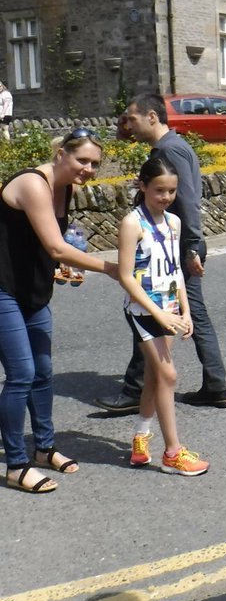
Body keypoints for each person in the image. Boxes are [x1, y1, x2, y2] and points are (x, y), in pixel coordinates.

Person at [0, 128, 119, 493]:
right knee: (21, 374)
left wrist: (63, 269)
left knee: (44, 372)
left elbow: (43, 246)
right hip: (3, 290)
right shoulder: (34, 184)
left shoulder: (64, 188)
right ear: (61, 154)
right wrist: (110, 268)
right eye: (82, 160)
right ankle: (16, 464)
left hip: (34, 292)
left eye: (95, 164)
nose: (88, 169)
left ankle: (45, 448)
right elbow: (55, 246)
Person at [95, 93, 226, 413]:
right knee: (171, 311)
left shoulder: (171, 150)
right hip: (170, 243)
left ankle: (138, 389)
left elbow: (187, 201)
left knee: (155, 310)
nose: (128, 123)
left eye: (132, 117)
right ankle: (213, 385)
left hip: (175, 246)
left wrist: (193, 248)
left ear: (152, 117)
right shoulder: (168, 148)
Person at [117, 155, 209, 476]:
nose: (166, 197)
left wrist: (185, 309)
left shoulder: (173, 223)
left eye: (171, 191)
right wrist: (158, 311)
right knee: (168, 376)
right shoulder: (132, 223)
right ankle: (172, 452)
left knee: (156, 377)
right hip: (144, 310)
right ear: (142, 186)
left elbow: (176, 270)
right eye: (159, 190)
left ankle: (141, 436)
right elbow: (127, 276)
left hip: (169, 308)